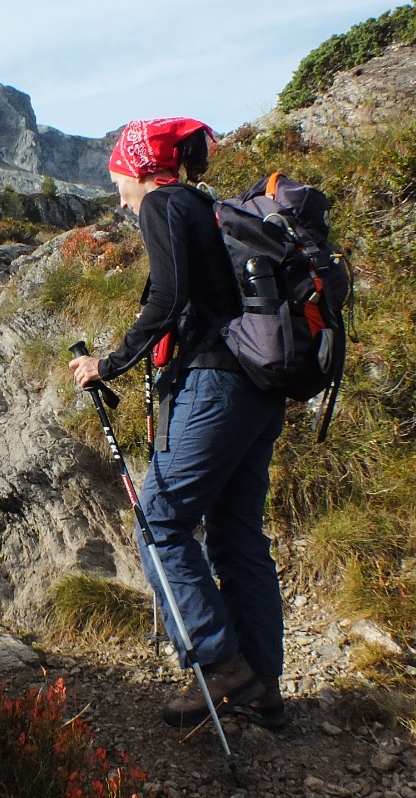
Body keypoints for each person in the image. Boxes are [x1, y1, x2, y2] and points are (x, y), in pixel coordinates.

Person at [68, 118, 288, 731]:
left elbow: (166, 300)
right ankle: (265, 687)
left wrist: (106, 363)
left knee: (158, 519)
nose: (118, 196)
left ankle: (220, 665)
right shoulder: (203, 205)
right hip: (259, 388)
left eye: (118, 181)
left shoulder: (162, 203)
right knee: (238, 534)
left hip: (215, 383)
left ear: (139, 166)